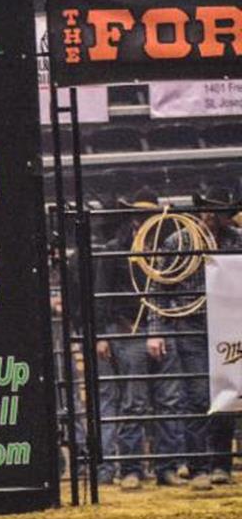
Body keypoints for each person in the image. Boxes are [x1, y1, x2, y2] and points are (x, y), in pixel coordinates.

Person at [148, 187, 242, 490]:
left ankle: (220, 465)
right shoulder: (179, 241)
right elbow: (158, 287)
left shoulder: (235, 241)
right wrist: (157, 330)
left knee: (227, 394)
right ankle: (201, 465)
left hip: (228, 325)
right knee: (200, 395)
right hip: (191, 325)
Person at [93, 190, 178, 490]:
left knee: (169, 399)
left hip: (159, 326)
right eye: (139, 214)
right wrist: (103, 334)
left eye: (147, 214)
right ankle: (131, 468)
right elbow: (102, 296)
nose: (142, 220)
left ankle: (165, 466)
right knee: (135, 400)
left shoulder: (164, 248)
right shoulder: (116, 249)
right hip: (128, 329)